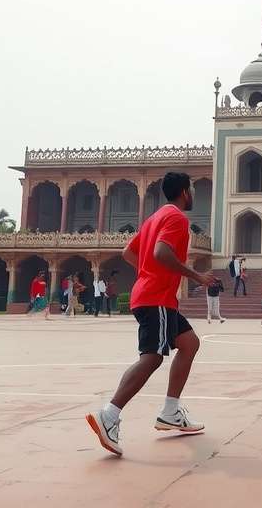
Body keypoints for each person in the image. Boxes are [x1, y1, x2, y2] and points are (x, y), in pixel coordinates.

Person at [86, 172, 217, 456]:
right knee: (153, 356)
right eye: (192, 188)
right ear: (184, 192)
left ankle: (170, 411)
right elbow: (160, 253)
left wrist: (147, 273)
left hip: (158, 298)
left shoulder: (154, 218)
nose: (193, 193)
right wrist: (195, 276)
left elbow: (127, 252)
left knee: (189, 343)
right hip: (155, 298)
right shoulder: (177, 218)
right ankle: (109, 415)